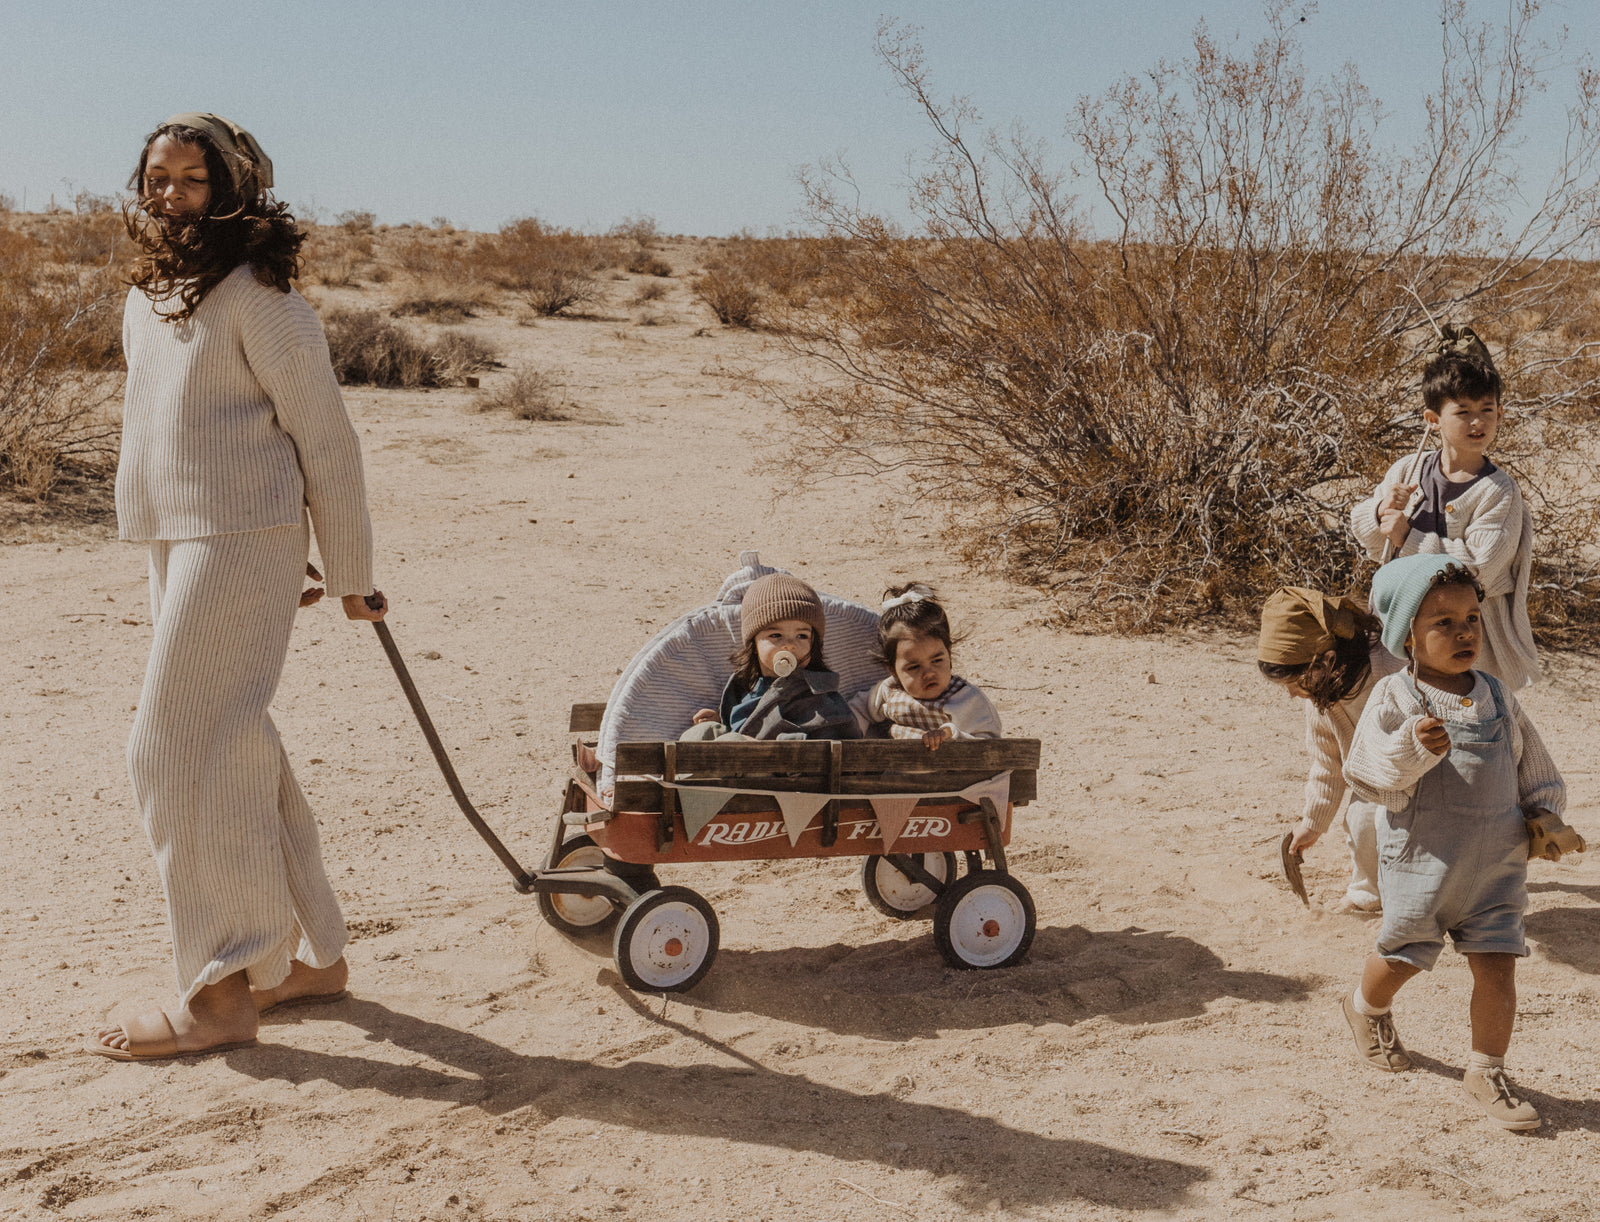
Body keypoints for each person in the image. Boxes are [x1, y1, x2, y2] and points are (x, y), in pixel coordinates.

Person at [89, 113, 384, 1060]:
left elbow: (325, 439)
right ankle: (316, 961)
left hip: (241, 537)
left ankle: (219, 994)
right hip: (178, 533)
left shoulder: (263, 300)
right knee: (233, 741)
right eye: (157, 179)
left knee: (170, 747)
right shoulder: (154, 292)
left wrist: (350, 572)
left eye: (191, 181)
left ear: (236, 188)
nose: (169, 196)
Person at [1339, 555, 1567, 1130]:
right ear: (1406, 635)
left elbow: (1531, 762)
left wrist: (1544, 810)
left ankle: (1486, 1070)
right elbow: (1367, 773)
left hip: (1497, 863)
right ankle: (1366, 1005)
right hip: (1424, 861)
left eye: (1472, 617)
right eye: (1443, 622)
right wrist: (1414, 747)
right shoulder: (1396, 698)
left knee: (1498, 967)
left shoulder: (1495, 693)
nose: (1464, 631)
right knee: (1401, 955)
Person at [1350, 327, 1539, 690]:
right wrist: (1381, 513)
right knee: (1397, 709)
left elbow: (1479, 565)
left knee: (1461, 720)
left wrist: (1409, 536)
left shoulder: (1499, 491)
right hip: (1402, 625)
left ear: (1501, 413)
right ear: (1433, 419)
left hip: (1465, 640)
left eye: (1487, 410)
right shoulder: (1409, 468)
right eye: (1463, 411)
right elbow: (1374, 543)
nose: (1477, 422)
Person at [1256, 588, 1399, 913]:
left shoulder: (1389, 668)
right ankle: (1369, 892)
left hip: (1430, 768)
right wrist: (1313, 823)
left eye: (1295, 682)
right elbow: (1328, 765)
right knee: (1360, 819)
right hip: (1376, 781)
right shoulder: (1321, 699)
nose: (1293, 694)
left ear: (1328, 660)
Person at [682, 573, 859, 741]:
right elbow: (745, 723)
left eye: (802, 636)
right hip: (736, 763)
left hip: (781, 766)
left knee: (732, 741)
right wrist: (721, 720)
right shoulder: (745, 686)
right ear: (754, 643)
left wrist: (766, 749)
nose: (789, 645)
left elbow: (837, 745)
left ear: (814, 645)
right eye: (776, 635)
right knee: (700, 733)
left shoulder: (820, 698)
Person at [851, 584, 1001, 749]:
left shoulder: (965, 698)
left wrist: (952, 734)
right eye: (914, 667)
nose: (928, 673)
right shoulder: (889, 691)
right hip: (898, 772)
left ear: (949, 654)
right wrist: (853, 742)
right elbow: (857, 712)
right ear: (892, 670)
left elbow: (991, 743)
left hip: (953, 771)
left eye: (937, 661)